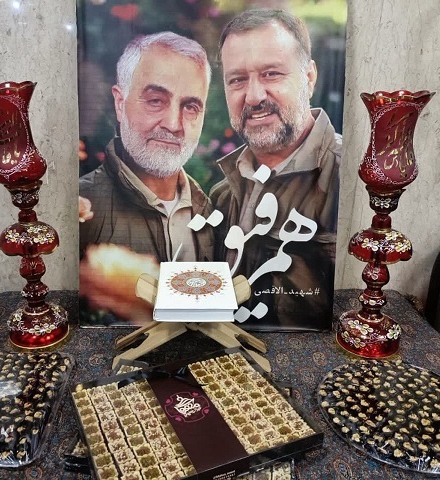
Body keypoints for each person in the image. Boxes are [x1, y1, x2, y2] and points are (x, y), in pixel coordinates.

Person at [210, 9, 341, 330]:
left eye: (271, 74)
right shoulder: (222, 194)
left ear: (309, 77)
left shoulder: (350, 178)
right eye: (238, 80)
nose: (254, 97)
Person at [79, 32, 215, 323]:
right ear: (120, 103)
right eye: (155, 100)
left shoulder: (214, 212)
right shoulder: (81, 210)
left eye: (191, 107)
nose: (174, 124)